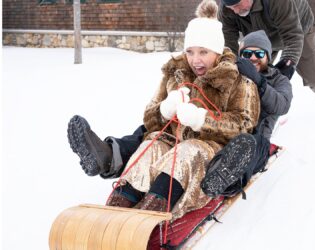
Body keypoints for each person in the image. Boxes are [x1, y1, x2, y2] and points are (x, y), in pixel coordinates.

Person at [67, 0, 260, 220]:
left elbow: (244, 124)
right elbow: (149, 118)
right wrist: (164, 110)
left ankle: (153, 208)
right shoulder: (175, 73)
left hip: (210, 148)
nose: (195, 60)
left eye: (203, 52)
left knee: (188, 151)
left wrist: (201, 119)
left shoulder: (237, 80)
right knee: (151, 145)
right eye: (190, 51)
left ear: (216, 51)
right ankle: (119, 203)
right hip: (171, 140)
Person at [200, 29, 292, 198]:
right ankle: (211, 172)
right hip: (228, 132)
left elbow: (281, 105)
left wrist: (260, 82)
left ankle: (228, 181)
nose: (253, 58)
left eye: (259, 53)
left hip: (257, 140)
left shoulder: (279, 80)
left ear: (268, 56)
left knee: (246, 143)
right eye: (247, 53)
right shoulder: (233, 73)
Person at [218, 0, 315, 112]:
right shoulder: (227, 9)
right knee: (251, 77)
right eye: (231, 7)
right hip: (259, 39)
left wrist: (287, 64)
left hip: (298, 30)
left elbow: (293, 35)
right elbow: (229, 46)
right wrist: (234, 68)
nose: (235, 10)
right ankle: (254, 113)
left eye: (238, 4)